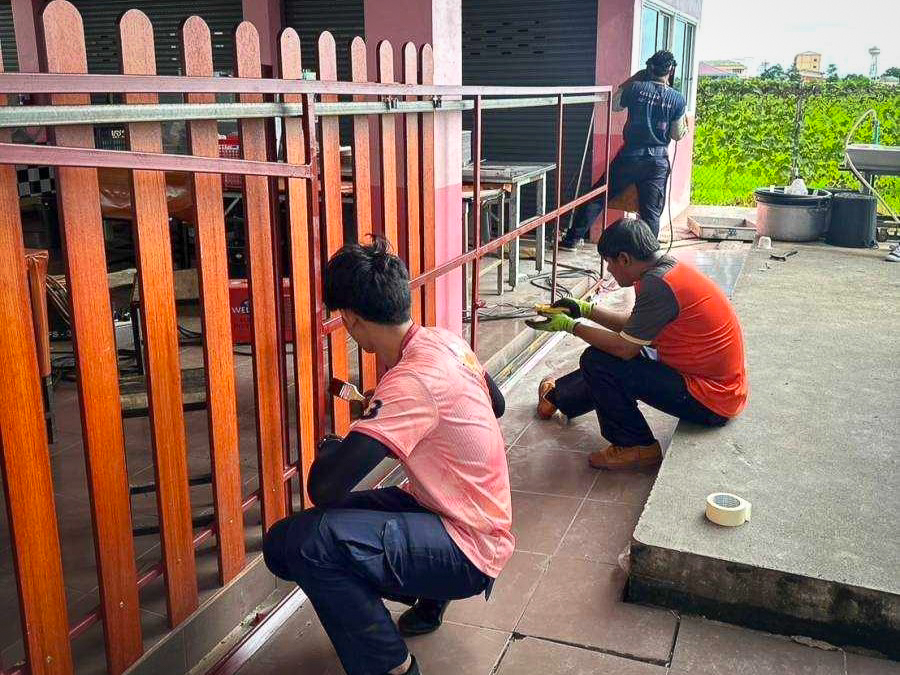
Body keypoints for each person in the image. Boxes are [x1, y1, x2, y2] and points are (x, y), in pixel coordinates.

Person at [262, 237, 513, 675]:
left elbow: (324, 487)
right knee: (291, 538)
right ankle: (430, 599)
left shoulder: (412, 380)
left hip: (470, 546)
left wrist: (333, 446)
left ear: (352, 319)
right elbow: (497, 403)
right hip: (464, 511)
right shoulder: (444, 341)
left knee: (306, 543)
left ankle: (392, 667)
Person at [528, 218, 747, 470]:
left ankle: (635, 445)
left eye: (609, 262)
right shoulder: (665, 271)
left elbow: (624, 348)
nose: (609, 269)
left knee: (600, 361)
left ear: (624, 259)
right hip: (718, 388)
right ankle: (557, 398)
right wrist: (585, 310)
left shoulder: (658, 285)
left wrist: (570, 326)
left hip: (711, 399)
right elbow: (635, 328)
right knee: (617, 356)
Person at [560, 50, 688, 248]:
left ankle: (571, 240)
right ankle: (647, 252)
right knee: (651, 212)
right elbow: (677, 134)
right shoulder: (677, 99)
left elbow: (615, 105)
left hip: (630, 157)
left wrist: (632, 80)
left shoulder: (635, 88)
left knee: (599, 196)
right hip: (657, 162)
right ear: (670, 70)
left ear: (649, 68)